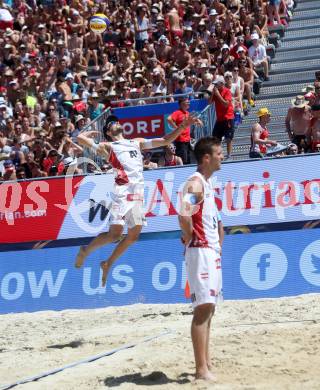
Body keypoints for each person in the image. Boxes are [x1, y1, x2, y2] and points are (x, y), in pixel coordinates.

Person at [75, 114, 199, 287]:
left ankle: (108, 263)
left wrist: (183, 126)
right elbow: (80, 139)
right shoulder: (108, 146)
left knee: (133, 236)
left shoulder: (136, 142)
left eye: (116, 121)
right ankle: (85, 251)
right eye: (111, 123)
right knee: (115, 235)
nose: (116, 123)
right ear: (109, 132)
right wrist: (87, 135)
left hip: (137, 194)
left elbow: (164, 140)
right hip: (122, 192)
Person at [178, 136, 224, 381]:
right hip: (201, 250)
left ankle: (205, 363)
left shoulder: (206, 183)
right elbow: (184, 215)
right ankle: (200, 369)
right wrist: (189, 237)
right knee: (203, 309)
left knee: (210, 309)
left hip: (210, 251)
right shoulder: (195, 183)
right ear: (206, 158)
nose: (222, 156)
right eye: (218, 153)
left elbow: (213, 220)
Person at [167, 97, 202, 164]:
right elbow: (169, 119)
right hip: (180, 141)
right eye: (187, 102)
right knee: (183, 162)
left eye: (189, 102)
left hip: (187, 140)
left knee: (188, 161)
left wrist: (198, 121)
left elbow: (192, 120)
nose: (189, 104)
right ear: (181, 104)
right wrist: (177, 129)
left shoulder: (187, 112)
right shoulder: (177, 112)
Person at [210, 76, 234, 160]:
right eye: (215, 84)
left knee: (228, 138)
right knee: (215, 138)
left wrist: (217, 94)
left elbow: (226, 104)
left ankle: (229, 155)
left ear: (222, 84)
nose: (215, 86)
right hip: (219, 119)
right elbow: (209, 103)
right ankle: (219, 154)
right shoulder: (216, 92)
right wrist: (213, 93)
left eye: (217, 84)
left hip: (228, 118)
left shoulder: (227, 91)